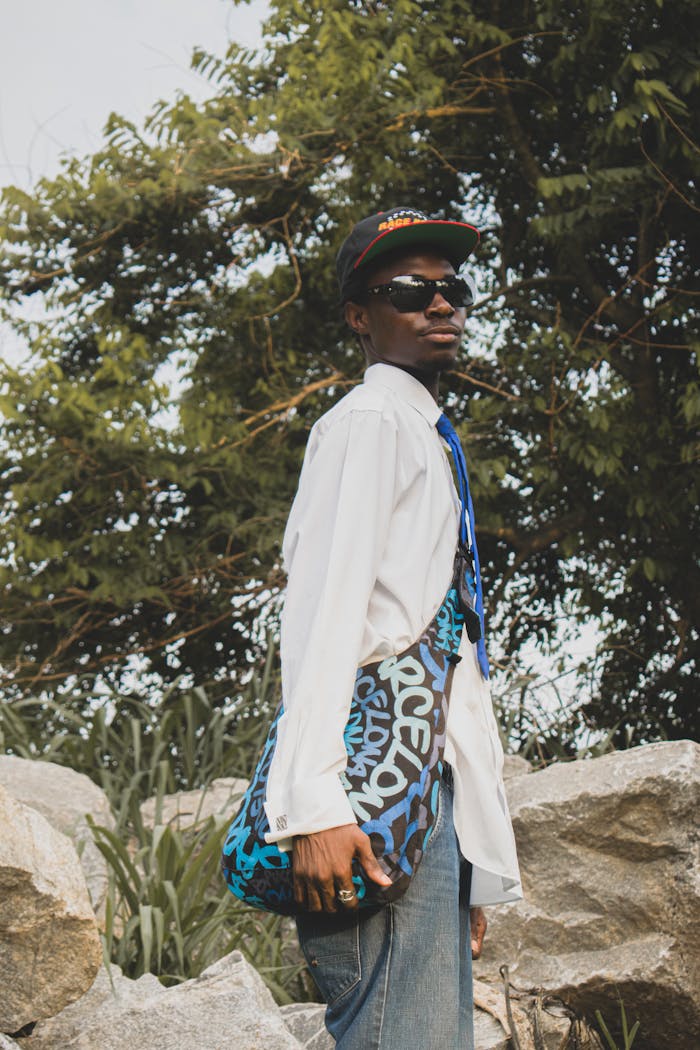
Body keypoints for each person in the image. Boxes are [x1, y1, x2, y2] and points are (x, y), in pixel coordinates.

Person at [263, 206, 522, 1050]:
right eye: (410, 290)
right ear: (359, 315)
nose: (439, 305)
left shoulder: (421, 434)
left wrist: (474, 864)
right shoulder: (370, 425)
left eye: (452, 289)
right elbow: (322, 618)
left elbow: (450, 665)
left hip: (423, 810)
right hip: (366, 799)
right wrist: (313, 804)